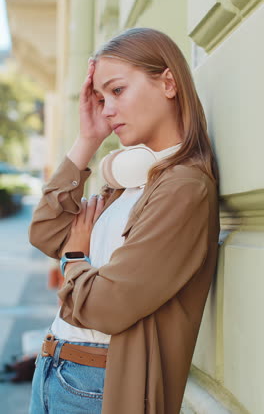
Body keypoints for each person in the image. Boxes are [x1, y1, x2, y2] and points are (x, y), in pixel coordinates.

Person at [28, 27, 220, 414]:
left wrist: (75, 259)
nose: (107, 108)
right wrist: (88, 140)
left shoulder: (184, 188)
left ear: (168, 82)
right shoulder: (131, 179)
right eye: (100, 98)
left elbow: (108, 308)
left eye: (117, 91)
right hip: (53, 370)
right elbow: (45, 231)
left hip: (99, 387)